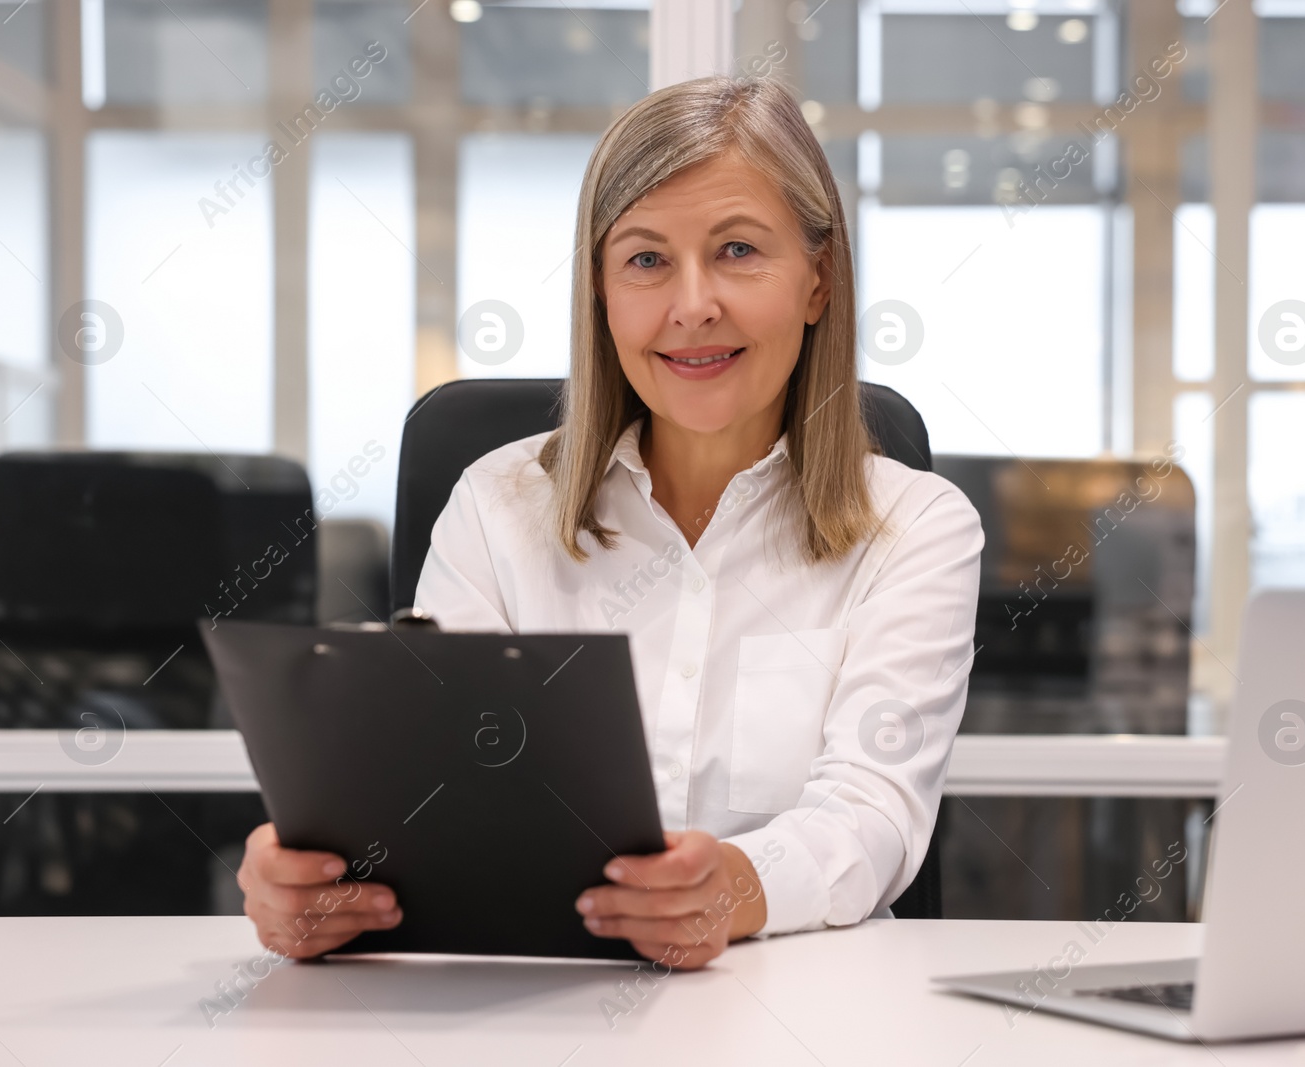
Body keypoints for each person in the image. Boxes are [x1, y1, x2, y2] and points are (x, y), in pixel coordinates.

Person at [237, 74, 983, 971]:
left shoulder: (916, 527)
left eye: (739, 249)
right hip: (526, 1009)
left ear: (819, 281)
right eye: (645, 259)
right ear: (600, 291)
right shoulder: (496, 503)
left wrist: (733, 887)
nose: (692, 303)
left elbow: (873, 814)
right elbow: (430, 802)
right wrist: (319, 880)